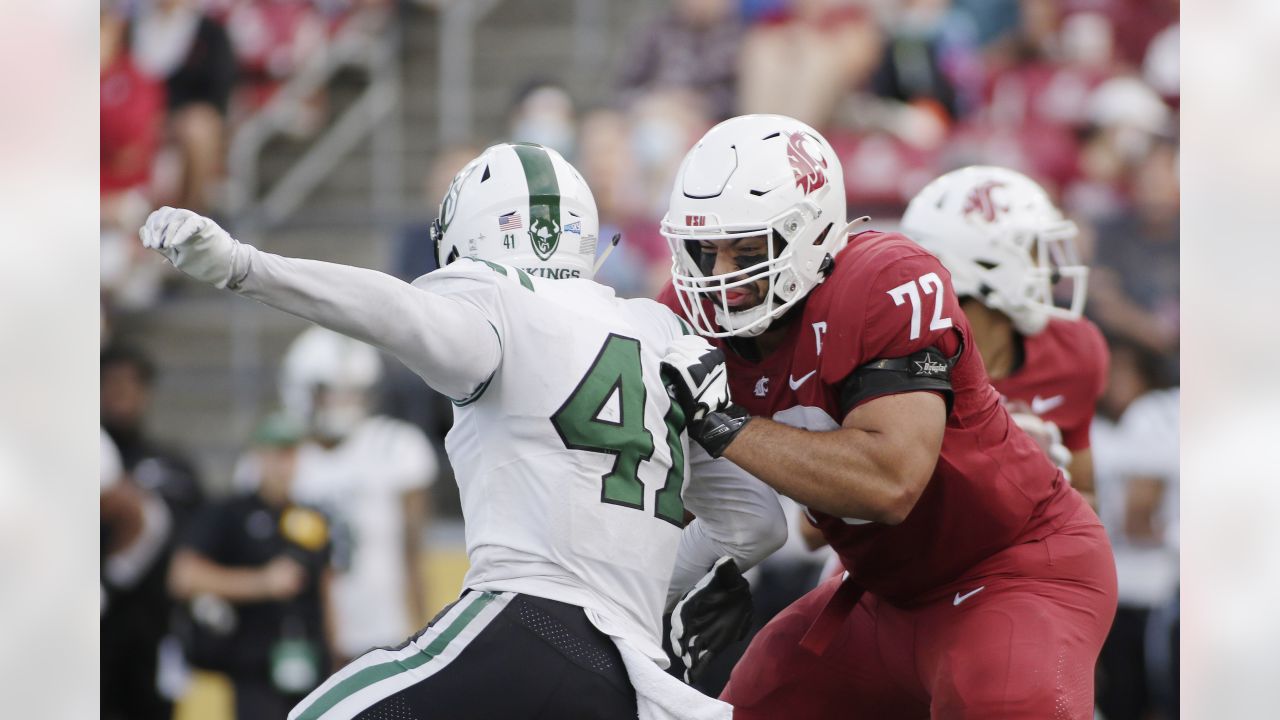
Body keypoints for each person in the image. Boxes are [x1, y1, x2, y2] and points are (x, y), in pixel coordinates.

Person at [140, 142, 786, 719]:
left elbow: (394, 312)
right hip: (631, 677)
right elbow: (755, 523)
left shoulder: (494, 298)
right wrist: (639, 585)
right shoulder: (660, 329)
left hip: (525, 625)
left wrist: (243, 266)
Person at [656, 114, 1117, 718]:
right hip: (884, 593)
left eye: (747, 249)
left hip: (1013, 571)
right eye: (703, 249)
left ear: (811, 231)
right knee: (754, 702)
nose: (721, 276)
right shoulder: (684, 313)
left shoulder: (886, 280)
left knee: (1001, 700)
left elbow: (888, 482)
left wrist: (721, 423)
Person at [901, 165, 1108, 504]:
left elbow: (1087, 500)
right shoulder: (903, 359)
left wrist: (1046, 479)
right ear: (981, 264)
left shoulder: (1074, 349)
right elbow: (818, 529)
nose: (1049, 269)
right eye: (1031, 249)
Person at [279, 326, 438, 665]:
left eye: (353, 392)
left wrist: (424, 631)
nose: (343, 404)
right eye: (330, 392)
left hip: (384, 632)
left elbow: (414, 551)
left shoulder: (394, 445)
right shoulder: (282, 455)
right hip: (303, 636)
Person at [169, 413, 336, 719]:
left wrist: (336, 651)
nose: (283, 464)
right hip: (254, 666)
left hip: (310, 663)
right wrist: (261, 583)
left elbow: (327, 588)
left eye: (291, 453)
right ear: (258, 456)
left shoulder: (312, 517)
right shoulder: (229, 513)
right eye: (276, 453)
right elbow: (184, 576)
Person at [101, 343, 205, 719]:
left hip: (155, 625)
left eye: (132, 383)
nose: (121, 392)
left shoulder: (171, 464)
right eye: (110, 382)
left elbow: (192, 542)